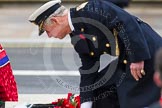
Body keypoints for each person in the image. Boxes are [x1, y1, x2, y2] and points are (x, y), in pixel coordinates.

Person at [28, 0, 162, 108]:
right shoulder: (76, 36)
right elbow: (88, 71)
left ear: (56, 21)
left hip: (146, 53)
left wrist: (137, 58)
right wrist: (85, 104)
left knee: (129, 98)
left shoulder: (92, 9)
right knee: (100, 89)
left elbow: (127, 22)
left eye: (47, 31)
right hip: (127, 59)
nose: (49, 36)